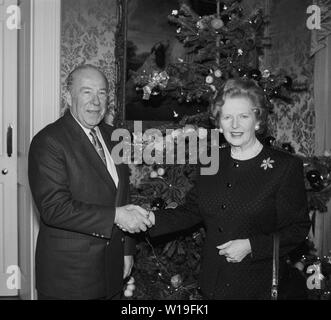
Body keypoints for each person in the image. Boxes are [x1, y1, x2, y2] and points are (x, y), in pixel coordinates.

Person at [147, 78, 311, 299]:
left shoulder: (284, 167)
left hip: (257, 286)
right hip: (212, 284)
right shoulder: (209, 161)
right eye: (227, 117)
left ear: (257, 120)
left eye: (243, 116)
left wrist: (252, 245)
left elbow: (297, 229)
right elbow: (191, 211)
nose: (234, 125)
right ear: (219, 122)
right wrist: (148, 219)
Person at [28, 64, 152, 300]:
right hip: (69, 279)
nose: (96, 101)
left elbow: (122, 195)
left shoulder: (113, 136)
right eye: (87, 92)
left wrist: (126, 251)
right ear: (68, 96)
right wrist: (116, 216)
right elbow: (54, 209)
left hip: (111, 269)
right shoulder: (48, 141)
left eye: (102, 93)